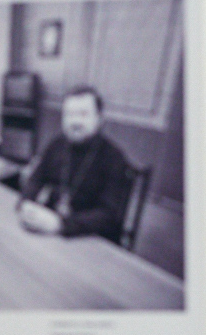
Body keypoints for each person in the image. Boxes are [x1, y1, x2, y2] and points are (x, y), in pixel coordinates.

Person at [19, 86, 131, 244]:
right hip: (52, 232)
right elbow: (36, 179)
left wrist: (61, 224)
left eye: (83, 114)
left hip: (90, 239)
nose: (75, 122)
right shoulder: (57, 144)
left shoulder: (115, 158)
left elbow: (109, 216)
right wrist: (27, 203)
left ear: (99, 119)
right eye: (69, 114)